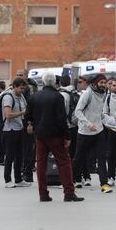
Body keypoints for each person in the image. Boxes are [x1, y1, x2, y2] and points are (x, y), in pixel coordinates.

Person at [25, 71, 84, 202]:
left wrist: (32, 125)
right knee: (64, 162)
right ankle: (68, 192)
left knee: (41, 164)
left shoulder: (35, 97)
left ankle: (43, 194)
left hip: (40, 135)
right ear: (55, 83)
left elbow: (28, 115)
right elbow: (61, 119)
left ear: (43, 82)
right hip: (55, 135)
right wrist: (67, 136)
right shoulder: (57, 97)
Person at [73, 74, 113, 193]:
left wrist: (113, 123)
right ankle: (75, 180)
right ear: (95, 83)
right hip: (84, 131)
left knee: (101, 158)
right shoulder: (87, 94)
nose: (103, 85)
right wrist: (88, 123)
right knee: (79, 158)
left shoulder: (104, 94)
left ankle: (104, 185)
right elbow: (78, 111)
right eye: (101, 83)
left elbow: (99, 113)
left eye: (105, 83)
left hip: (98, 131)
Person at [2, 77, 31, 188]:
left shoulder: (21, 96)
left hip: (19, 129)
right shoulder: (8, 97)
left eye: (23, 88)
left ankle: (18, 179)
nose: (22, 90)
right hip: (10, 130)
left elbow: (26, 111)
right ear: (14, 86)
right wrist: (22, 112)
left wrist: (28, 123)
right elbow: (8, 115)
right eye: (20, 88)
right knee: (10, 155)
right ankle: (7, 180)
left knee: (19, 155)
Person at [16, 69, 38, 182]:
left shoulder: (29, 89)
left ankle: (27, 173)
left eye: (21, 75)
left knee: (28, 148)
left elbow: (31, 107)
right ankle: (22, 170)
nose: (19, 76)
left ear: (26, 76)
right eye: (17, 75)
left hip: (27, 122)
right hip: (18, 121)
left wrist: (30, 123)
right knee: (21, 148)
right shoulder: (16, 88)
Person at [59, 75, 79, 170]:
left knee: (66, 153)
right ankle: (77, 175)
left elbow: (62, 112)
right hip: (75, 124)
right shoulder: (74, 92)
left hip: (66, 126)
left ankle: (69, 174)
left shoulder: (62, 95)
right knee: (74, 152)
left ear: (60, 83)